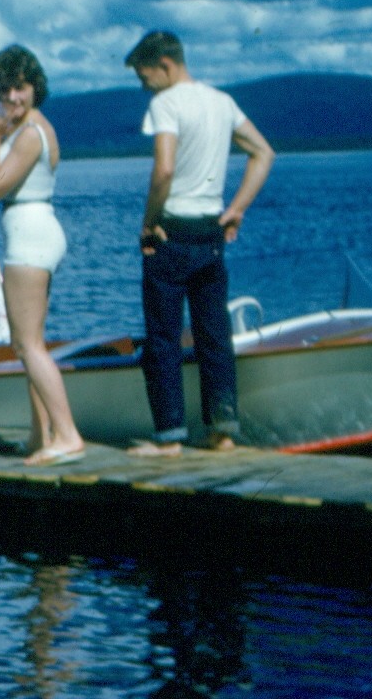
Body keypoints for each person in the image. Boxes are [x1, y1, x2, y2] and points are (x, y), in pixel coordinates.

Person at [123, 30, 275, 458]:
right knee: (214, 334)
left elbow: (164, 171)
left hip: (171, 231)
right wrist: (237, 209)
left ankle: (170, 437)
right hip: (210, 232)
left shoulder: (165, 104)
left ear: (165, 65)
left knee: (164, 338)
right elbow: (263, 152)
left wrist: (148, 224)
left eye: (144, 74)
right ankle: (222, 430)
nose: (143, 85)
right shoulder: (221, 102)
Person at [0, 45, 87, 466]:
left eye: (21, 88)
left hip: (29, 237)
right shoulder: (36, 126)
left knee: (27, 346)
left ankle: (67, 435)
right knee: (32, 343)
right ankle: (38, 434)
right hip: (36, 231)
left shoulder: (27, 134)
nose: (12, 98)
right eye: (6, 89)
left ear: (34, 88)